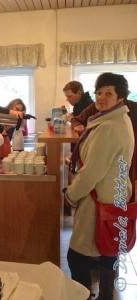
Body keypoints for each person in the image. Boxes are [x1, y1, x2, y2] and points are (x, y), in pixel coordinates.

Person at [63, 73, 135, 299]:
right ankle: (106, 294)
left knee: (76, 258)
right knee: (109, 252)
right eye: (99, 92)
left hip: (101, 198)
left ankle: (84, 296)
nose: (102, 97)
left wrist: (70, 196)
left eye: (109, 93)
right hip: (115, 196)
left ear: (120, 97)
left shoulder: (109, 127)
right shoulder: (114, 119)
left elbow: (91, 173)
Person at [63, 81, 93, 151]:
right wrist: (73, 114)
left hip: (84, 147)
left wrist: (72, 118)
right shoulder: (79, 104)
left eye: (69, 96)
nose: (67, 99)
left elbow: (83, 126)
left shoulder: (88, 105)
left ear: (79, 93)